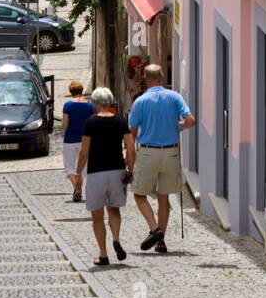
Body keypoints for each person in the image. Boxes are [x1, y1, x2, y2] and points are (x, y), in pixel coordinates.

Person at [128, 64, 195, 253]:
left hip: (148, 153)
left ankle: (155, 228)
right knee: (163, 198)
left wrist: (129, 159)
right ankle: (161, 241)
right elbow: (191, 121)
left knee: (140, 194)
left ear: (145, 78)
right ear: (162, 76)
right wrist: (178, 126)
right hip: (170, 153)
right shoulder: (174, 97)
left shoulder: (140, 102)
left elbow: (132, 134)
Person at [75, 87, 135, 267]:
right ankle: (116, 239)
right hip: (117, 171)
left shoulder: (90, 124)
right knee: (114, 209)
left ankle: (103, 255)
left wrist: (78, 174)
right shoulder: (120, 122)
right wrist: (130, 170)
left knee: (97, 215)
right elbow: (131, 149)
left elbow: (84, 152)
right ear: (109, 103)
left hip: (96, 173)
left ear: (94, 104)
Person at [61, 81, 95, 202]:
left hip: (70, 139)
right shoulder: (89, 105)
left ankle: (76, 186)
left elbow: (64, 125)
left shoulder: (68, 105)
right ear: (81, 91)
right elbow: (92, 123)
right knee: (81, 166)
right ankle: (78, 186)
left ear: (71, 92)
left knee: (69, 166)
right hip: (85, 139)